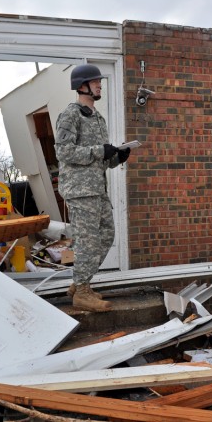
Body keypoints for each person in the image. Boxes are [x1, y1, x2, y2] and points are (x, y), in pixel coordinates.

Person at [54, 64, 131, 312]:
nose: (100, 85)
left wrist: (118, 156)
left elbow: (102, 159)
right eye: (95, 81)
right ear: (82, 86)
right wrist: (100, 150)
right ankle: (83, 291)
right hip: (80, 190)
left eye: (99, 81)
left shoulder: (98, 118)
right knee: (88, 242)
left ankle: (79, 284)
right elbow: (63, 152)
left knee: (106, 236)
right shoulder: (70, 114)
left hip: (98, 189)